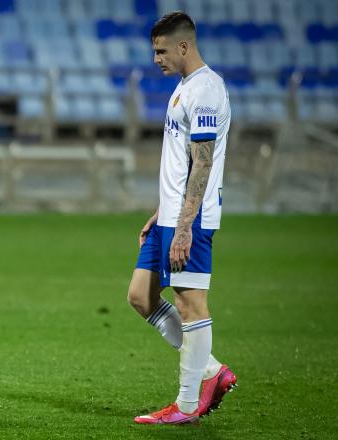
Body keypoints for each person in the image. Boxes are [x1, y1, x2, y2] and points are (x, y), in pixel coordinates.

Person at [126, 12, 237, 425]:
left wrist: (185, 225)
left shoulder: (205, 90)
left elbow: (203, 164)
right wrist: (162, 211)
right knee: (141, 295)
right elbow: (182, 163)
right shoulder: (183, 89)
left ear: (184, 46)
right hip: (172, 214)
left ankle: (187, 405)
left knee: (190, 305)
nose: (156, 58)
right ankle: (210, 370)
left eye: (161, 50)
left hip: (192, 218)